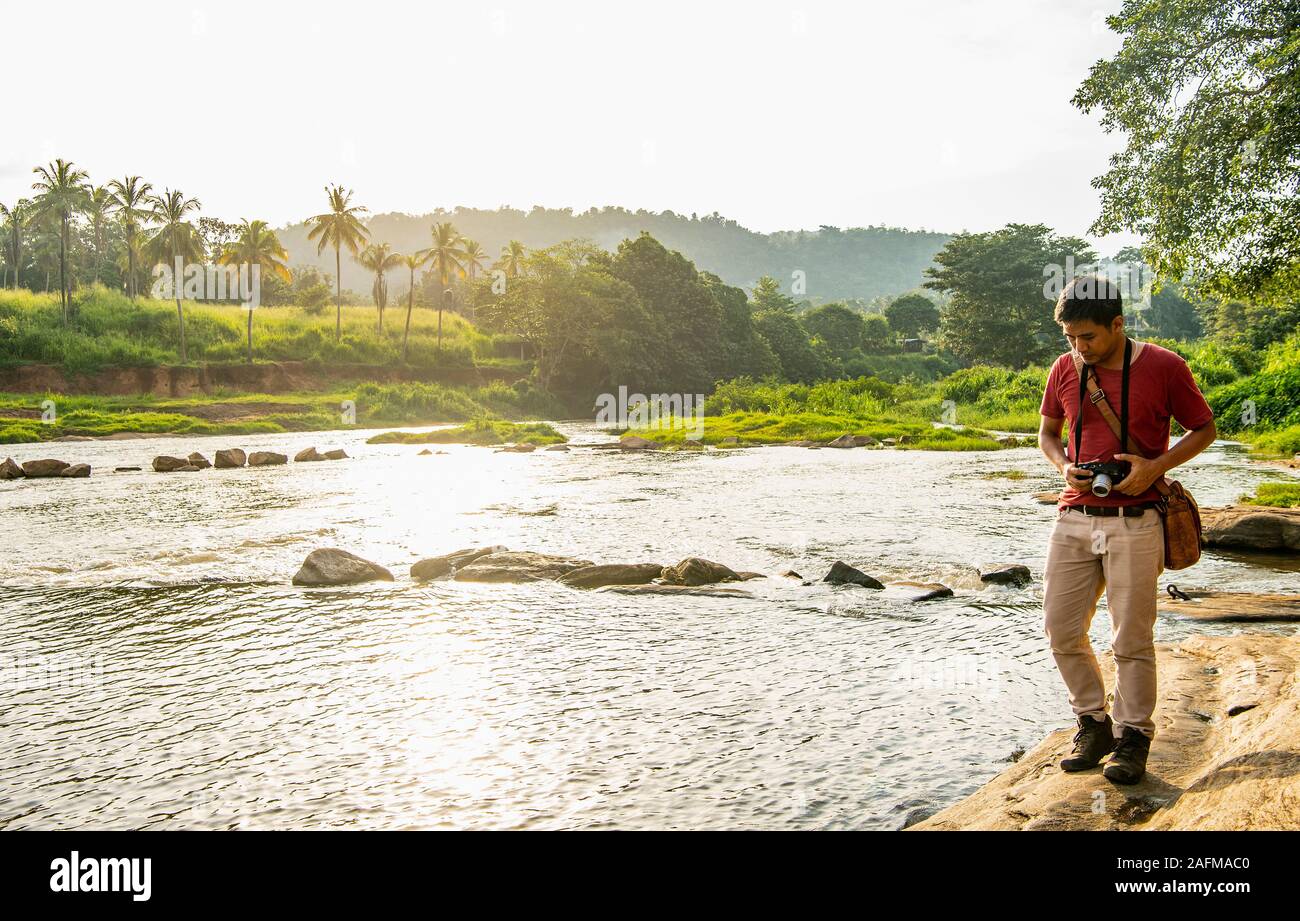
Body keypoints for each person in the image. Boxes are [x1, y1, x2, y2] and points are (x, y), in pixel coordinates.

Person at [1037, 275, 1216, 784]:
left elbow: (1204, 428)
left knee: (1130, 638)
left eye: (1088, 337)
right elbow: (1048, 434)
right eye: (1070, 338)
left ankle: (1133, 738)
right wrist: (1061, 467)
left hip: (1137, 520)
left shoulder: (1163, 366)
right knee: (1061, 629)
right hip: (1073, 515)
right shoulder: (1064, 369)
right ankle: (1093, 724)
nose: (1079, 348)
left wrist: (1153, 467)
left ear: (1118, 324)